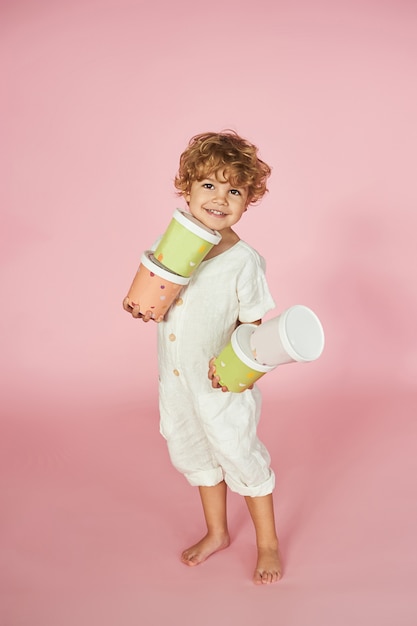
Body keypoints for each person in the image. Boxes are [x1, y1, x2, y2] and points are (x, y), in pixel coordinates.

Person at [123, 131, 282, 584]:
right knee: (192, 450)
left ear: (248, 200)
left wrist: (238, 368)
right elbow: (158, 289)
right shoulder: (174, 240)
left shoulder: (244, 261)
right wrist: (138, 302)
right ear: (187, 189)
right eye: (209, 185)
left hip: (219, 384)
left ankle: (267, 543)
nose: (219, 198)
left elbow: (252, 322)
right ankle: (217, 532)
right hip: (176, 379)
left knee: (238, 453)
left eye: (234, 190)